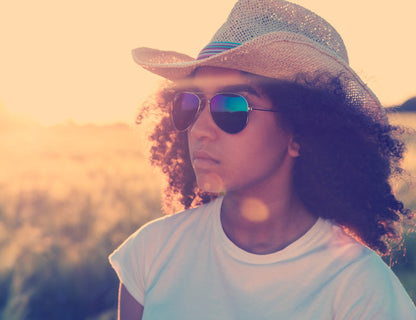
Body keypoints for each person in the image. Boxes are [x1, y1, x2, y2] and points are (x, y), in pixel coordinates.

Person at [109, 0, 416, 319]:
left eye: (232, 107)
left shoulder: (359, 289)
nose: (199, 129)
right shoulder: (149, 253)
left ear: (299, 132)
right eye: (190, 103)